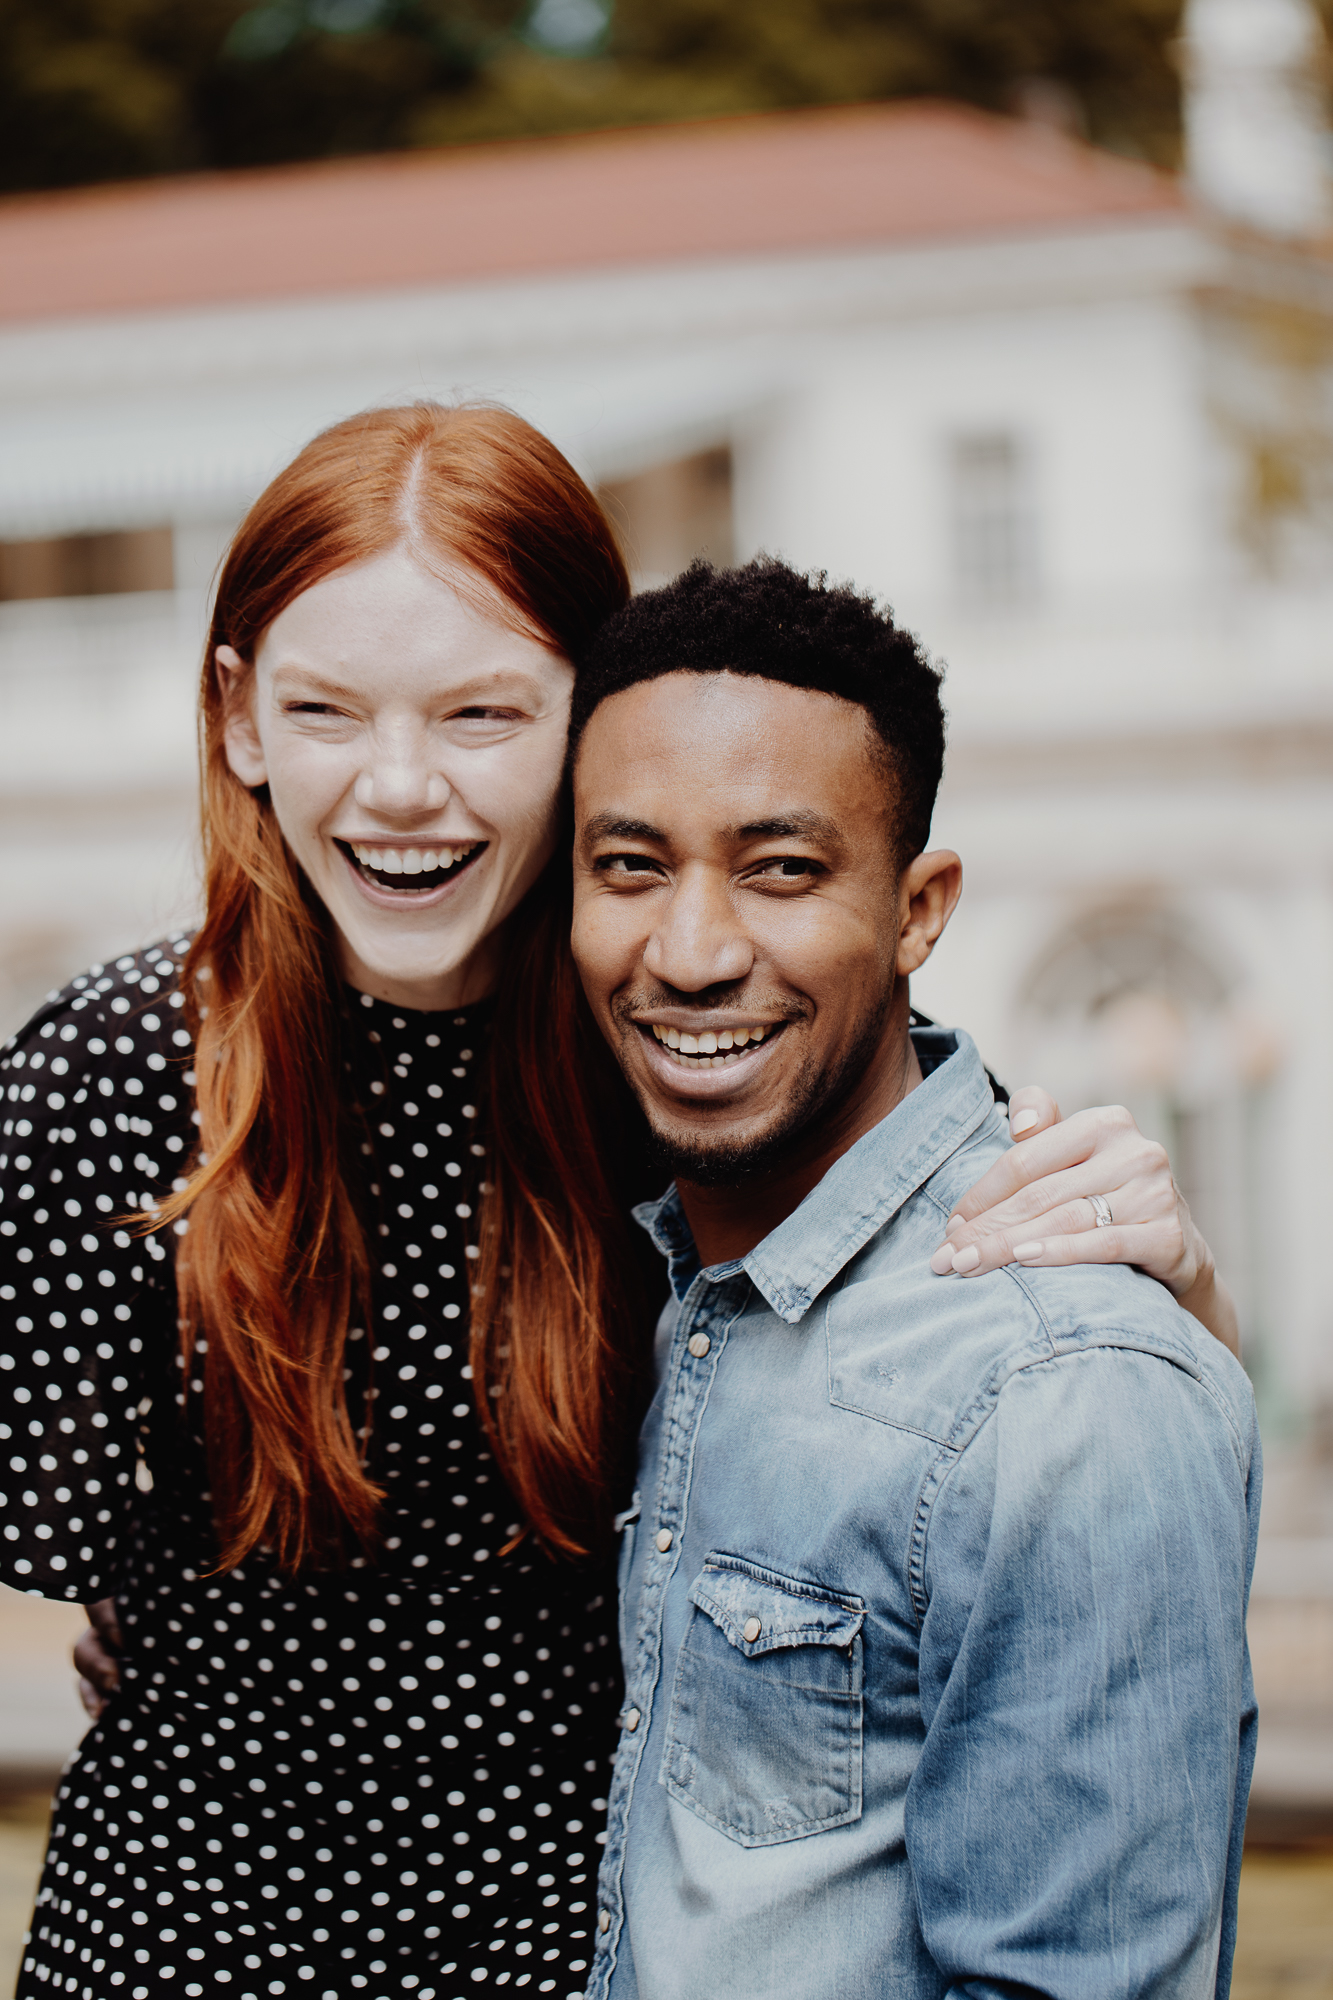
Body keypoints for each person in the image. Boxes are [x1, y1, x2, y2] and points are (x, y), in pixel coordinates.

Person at [0, 405, 1236, 2000]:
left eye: (483, 713)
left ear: (593, 722)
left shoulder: (668, 1037)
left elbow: (963, 1383)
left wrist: (1178, 1292)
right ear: (237, 719)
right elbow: (80, 1543)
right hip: (187, 1940)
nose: (399, 789)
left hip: (577, 1941)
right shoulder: (116, 1074)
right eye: (323, 708)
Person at [566, 558, 1259, 2000]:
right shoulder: (626, 1261)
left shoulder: (1062, 1389)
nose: (689, 952)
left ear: (917, 909)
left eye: (781, 868)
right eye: (630, 866)